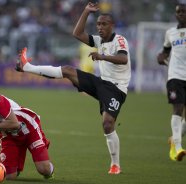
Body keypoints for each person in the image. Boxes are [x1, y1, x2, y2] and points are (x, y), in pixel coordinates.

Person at [16, 2, 131, 175]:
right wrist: (85, 12)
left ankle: (115, 164)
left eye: (104, 24)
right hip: (101, 83)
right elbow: (77, 33)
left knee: (107, 124)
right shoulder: (99, 40)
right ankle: (28, 67)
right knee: (68, 70)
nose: (100, 27)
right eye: (98, 24)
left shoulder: (119, 40)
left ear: (112, 26)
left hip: (116, 89)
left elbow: (123, 60)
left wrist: (102, 56)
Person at [157, 3, 186, 162]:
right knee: (178, 108)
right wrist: (161, 56)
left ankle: (174, 139)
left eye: (183, 12)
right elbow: (166, 51)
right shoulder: (171, 33)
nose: (181, 14)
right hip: (175, 76)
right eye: (178, 12)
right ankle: (178, 148)